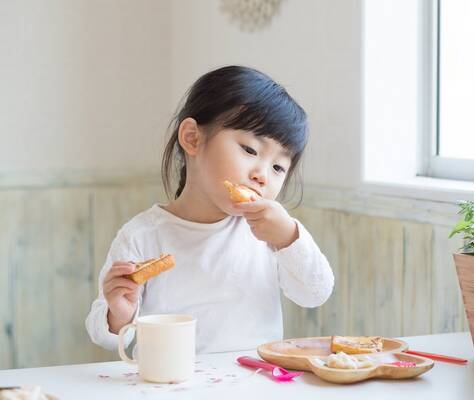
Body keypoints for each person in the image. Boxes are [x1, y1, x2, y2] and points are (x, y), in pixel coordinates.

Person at [85, 66, 334, 353]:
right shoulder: (142, 235)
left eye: (278, 167)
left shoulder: (269, 233)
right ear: (192, 138)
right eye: (250, 150)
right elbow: (104, 336)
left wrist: (289, 238)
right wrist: (119, 313)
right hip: (169, 385)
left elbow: (315, 293)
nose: (262, 175)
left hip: (254, 384)